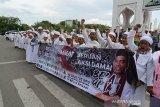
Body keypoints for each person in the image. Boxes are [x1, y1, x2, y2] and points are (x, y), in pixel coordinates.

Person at [127, 24, 155, 107]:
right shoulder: (136, 50)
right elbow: (130, 40)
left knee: (138, 99)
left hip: (141, 80)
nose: (143, 45)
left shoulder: (150, 57)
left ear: (149, 45)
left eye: (145, 44)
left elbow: (149, 71)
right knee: (129, 95)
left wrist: (142, 81)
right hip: (131, 77)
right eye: (142, 43)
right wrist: (134, 30)